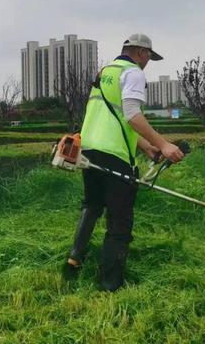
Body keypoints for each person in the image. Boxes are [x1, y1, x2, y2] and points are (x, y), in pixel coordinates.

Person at [64, 33, 185, 291]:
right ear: (141, 53)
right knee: (120, 220)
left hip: (90, 149)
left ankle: (73, 262)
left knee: (93, 205)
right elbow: (132, 115)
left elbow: (115, 118)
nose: (148, 62)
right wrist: (164, 144)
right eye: (149, 57)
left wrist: (147, 147)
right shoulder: (133, 73)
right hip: (115, 156)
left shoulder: (106, 71)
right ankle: (110, 284)